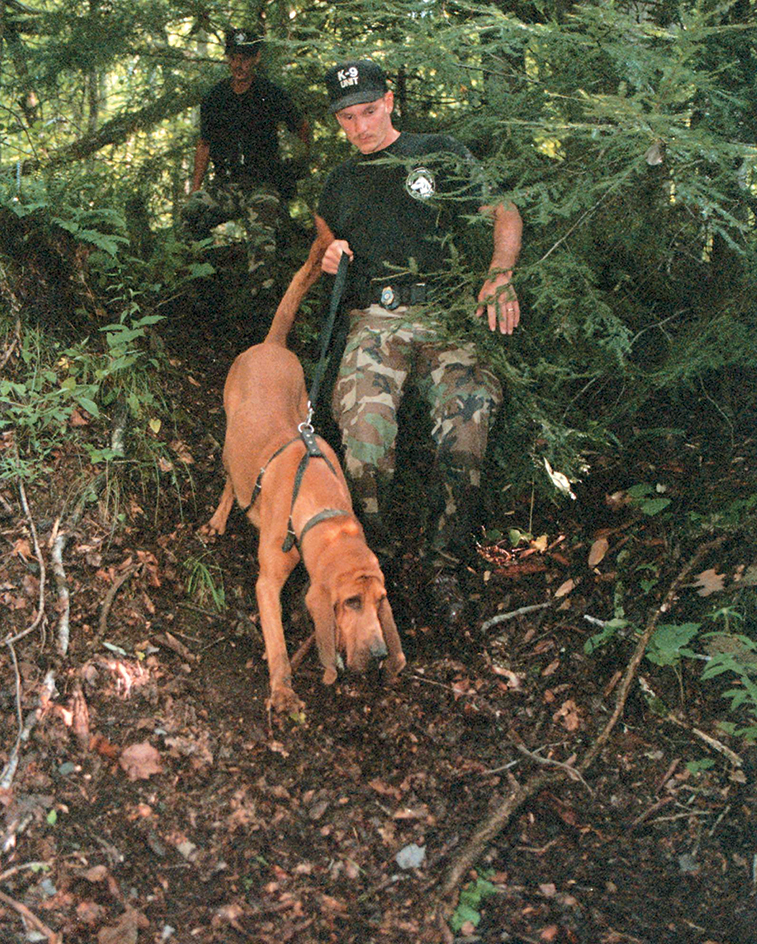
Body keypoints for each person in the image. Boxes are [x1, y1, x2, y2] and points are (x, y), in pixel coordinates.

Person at [288, 59, 522, 610]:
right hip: (374, 320)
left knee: (468, 423)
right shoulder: (339, 182)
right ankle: (376, 556)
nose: (361, 126)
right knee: (364, 436)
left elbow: (503, 211)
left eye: (369, 111)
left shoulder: (437, 152)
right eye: (347, 117)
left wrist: (500, 273)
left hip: (445, 317)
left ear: (389, 101)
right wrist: (329, 253)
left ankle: (445, 566)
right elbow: (323, 240)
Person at [182, 27, 310, 286]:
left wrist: (299, 164)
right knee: (191, 212)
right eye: (233, 58)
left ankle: (262, 299)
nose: (239, 65)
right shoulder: (215, 97)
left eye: (245, 58)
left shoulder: (271, 93)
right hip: (227, 184)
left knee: (262, 240)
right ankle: (204, 282)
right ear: (227, 58)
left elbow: (302, 128)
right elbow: (204, 144)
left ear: (256, 58)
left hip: (263, 184)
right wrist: (195, 189)